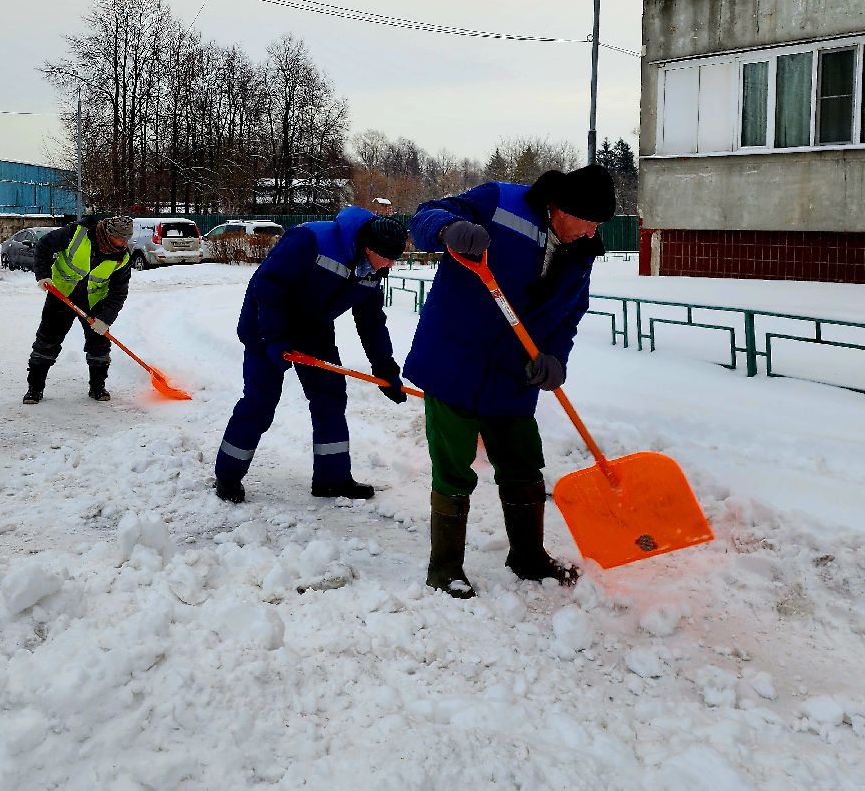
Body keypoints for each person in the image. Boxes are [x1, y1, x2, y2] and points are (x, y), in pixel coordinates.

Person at [405, 164, 616, 598]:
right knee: (453, 466)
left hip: (514, 372)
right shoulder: (499, 201)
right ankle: (445, 568)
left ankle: (527, 556)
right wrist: (449, 229)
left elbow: (570, 314)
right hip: (455, 358)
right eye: (589, 221)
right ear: (562, 208)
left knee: (523, 463)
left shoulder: (582, 251)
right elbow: (424, 216)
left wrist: (556, 357)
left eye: (599, 224)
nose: (593, 232)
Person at [214, 208, 410, 503]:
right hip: (264, 324)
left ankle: (332, 479)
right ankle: (227, 476)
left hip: (313, 329)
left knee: (330, 397)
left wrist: (384, 367)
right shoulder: (311, 240)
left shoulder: (372, 269)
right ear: (369, 248)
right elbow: (268, 287)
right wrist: (275, 339)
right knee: (260, 401)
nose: (391, 265)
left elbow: (371, 321)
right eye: (388, 258)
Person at [23, 214, 135, 404]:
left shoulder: (122, 258)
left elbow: (119, 292)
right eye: (120, 238)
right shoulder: (77, 233)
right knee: (47, 341)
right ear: (109, 234)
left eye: (127, 239)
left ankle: (98, 387)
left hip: (94, 301)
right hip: (62, 294)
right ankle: (35, 389)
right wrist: (43, 275)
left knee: (99, 345)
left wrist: (106, 319)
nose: (124, 243)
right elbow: (44, 246)